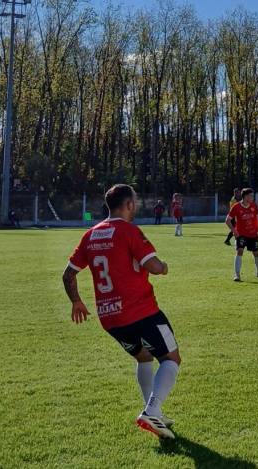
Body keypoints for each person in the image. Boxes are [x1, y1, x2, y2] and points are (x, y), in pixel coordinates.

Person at [62, 184, 180, 439]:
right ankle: (152, 410)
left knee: (144, 357)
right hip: (141, 311)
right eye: (134, 202)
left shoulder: (90, 235)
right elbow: (154, 266)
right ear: (128, 204)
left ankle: (155, 414)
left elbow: (68, 273)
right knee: (171, 358)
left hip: (110, 318)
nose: (135, 206)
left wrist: (76, 301)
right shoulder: (129, 231)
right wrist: (164, 267)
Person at [226, 188, 258, 281]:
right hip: (241, 234)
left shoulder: (254, 206)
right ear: (246, 196)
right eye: (251, 196)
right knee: (239, 251)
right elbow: (227, 220)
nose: (253, 197)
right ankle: (237, 275)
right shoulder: (236, 206)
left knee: (256, 253)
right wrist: (234, 231)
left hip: (253, 234)